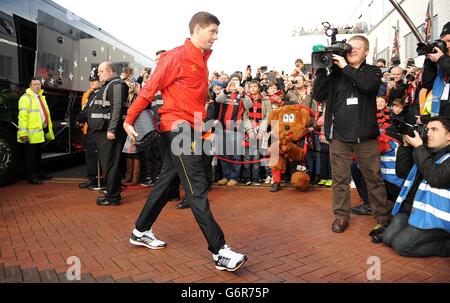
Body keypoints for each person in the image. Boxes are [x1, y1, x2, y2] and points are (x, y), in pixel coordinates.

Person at [123, 11, 247, 272]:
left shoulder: (203, 60)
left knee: (168, 179)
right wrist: (129, 118)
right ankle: (219, 251)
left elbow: (196, 103)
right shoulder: (176, 56)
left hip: (191, 129)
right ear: (198, 29)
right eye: (212, 31)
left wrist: (203, 133)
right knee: (197, 184)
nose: (216, 36)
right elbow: (150, 88)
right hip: (178, 128)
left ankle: (141, 230)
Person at [313, 35, 391, 234]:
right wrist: (322, 69)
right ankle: (341, 216)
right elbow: (318, 95)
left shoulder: (372, 71)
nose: (352, 50)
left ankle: (382, 217)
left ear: (366, 51)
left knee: (373, 177)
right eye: (350, 48)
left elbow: (368, 86)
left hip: (365, 137)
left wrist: (346, 68)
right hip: (339, 136)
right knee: (340, 179)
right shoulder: (336, 74)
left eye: (357, 48)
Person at [382, 116, 450, 257]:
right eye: (427, 129)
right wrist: (405, 146)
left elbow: (436, 178)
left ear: (449, 136)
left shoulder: (433, 153)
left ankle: (446, 246)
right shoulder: (426, 151)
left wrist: (419, 147)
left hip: (436, 219)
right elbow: (402, 172)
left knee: (401, 246)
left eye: (434, 130)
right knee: (387, 238)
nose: (428, 133)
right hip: (415, 210)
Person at [88, 62, 128, 206]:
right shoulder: (109, 85)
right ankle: (112, 192)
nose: (98, 74)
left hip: (108, 132)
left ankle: (113, 197)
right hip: (103, 131)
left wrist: (111, 130)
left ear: (111, 72)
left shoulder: (116, 85)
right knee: (109, 164)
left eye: (101, 71)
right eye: (98, 71)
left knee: (111, 164)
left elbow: (117, 107)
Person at [17, 77, 54, 184]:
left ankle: (40, 173)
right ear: (30, 86)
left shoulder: (41, 97)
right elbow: (22, 117)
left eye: (38, 84)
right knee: (30, 157)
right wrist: (23, 134)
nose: (37, 86)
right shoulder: (26, 98)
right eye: (34, 84)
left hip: (39, 131)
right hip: (30, 133)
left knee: (38, 155)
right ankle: (31, 176)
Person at [419, 21, 450, 124]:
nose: (447, 45)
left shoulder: (443, 61)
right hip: (442, 121)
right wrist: (429, 59)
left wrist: (441, 58)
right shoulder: (442, 63)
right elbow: (427, 84)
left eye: (449, 41)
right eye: (443, 42)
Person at [77, 67, 102, 189]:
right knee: (91, 154)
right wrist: (80, 119)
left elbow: (89, 110)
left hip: (100, 129)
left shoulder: (101, 92)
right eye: (90, 81)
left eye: (95, 80)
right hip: (92, 128)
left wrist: (80, 118)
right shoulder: (92, 94)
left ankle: (100, 179)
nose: (92, 83)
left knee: (98, 155)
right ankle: (93, 178)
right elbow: (86, 109)